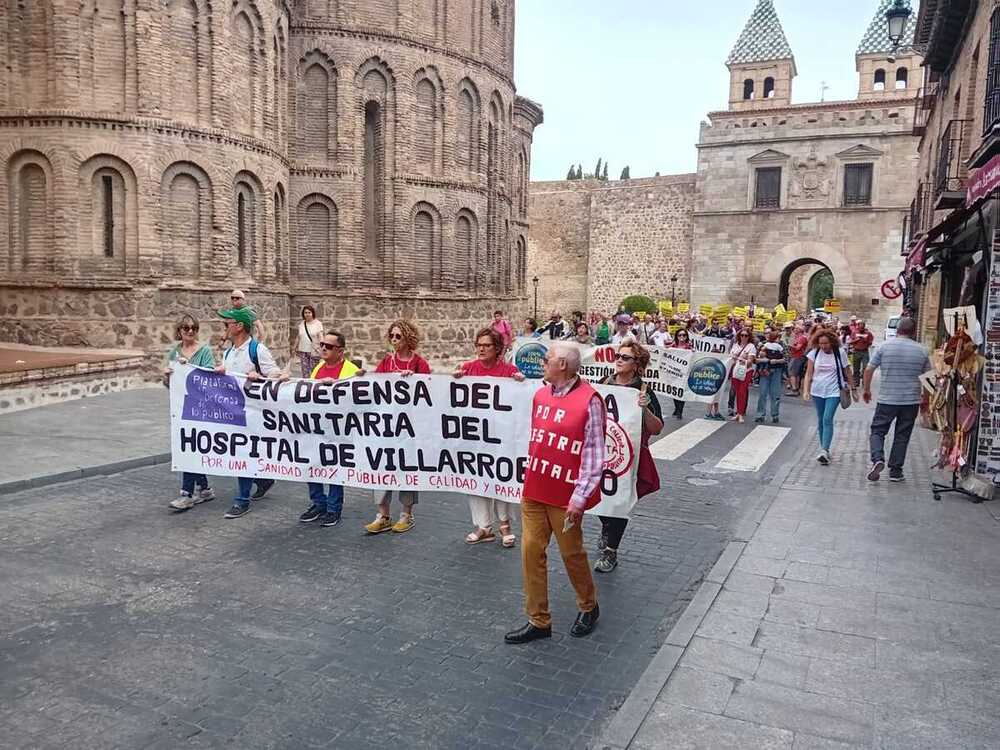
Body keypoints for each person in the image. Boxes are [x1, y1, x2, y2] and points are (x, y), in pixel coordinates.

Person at [505, 343, 604, 644]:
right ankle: (538, 619)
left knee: (571, 554)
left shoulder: (590, 401)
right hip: (535, 488)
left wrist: (579, 498)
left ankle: (588, 605)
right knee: (531, 552)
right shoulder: (540, 395)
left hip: (566, 494)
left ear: (562, 365)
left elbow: (594, 453)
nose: (542, 363)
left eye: (547, 360)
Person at [595, 341, 663, 573]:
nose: (619, 360)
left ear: (637, 365)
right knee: (601, 497)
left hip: (629, 457)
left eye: (625, 357)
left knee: (621, 502)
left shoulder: (644, 390)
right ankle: (606, 527)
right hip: (602, 453)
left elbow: (657, 428)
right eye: (618, 356)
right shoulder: (604, 383)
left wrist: (645, 409)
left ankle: (611, 551)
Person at [454, 328, 526, 547]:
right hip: (476, 437)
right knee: (476, 480)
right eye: (478, 345)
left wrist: (521, 383)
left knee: (502, 477)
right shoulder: (468, 369)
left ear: (497, 349)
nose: (481, 349)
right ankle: (483, 526)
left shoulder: (509, 371)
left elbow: (521, 401)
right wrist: (455, 380)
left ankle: (504, 525)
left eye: (486, 345)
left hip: (501, 438)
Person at [216, 306, 285, 518]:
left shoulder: (257, 349)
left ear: (239, 326)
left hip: (253, 414)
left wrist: (260, 376)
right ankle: (264, 480)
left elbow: (275, 373)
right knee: (235, 453)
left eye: (228, 323)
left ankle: (242, 500)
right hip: (232, 412)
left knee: (242, 454)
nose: (225, 327)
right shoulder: (228, 352)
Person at [363, 320, 431, 534]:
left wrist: (416, 380)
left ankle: (406, 514)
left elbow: (429, 389)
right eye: (391, 336)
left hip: (409, 427)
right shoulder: (386, 362)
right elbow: (374, 386)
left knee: (407, 468)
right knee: (382, 465)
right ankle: (382, 514)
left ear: (408, 338)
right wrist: (362, 378)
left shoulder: (419, 363)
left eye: (398, 336)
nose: (393, 340)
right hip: (387, 425)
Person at [298, 331, 359, 527]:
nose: (323, 348)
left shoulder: (350, 371)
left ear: (340, 351)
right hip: (316, 427)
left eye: (329, 346)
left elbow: (354, 401)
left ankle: (334, 508)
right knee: (312, 465)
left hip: (339, 430)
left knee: (334, 468)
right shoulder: (318, 369)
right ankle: (318, 503)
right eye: (322, 344)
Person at [863, 317, 931, 482]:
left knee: (878, 431)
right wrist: (926, 400)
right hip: (911, 400)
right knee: (902, 434)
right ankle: (895, 471)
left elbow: (869, 369)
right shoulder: (922, 350)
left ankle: (878, 458)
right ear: (914, 332)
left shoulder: (884, 346)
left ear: (897, 330)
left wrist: (866, 389)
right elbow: (928, 377)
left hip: (887, 398)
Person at [164, 314, 217, 511]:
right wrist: (167, 375)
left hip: (199, 408)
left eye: (193, 328)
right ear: (179, 331)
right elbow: (169, 385)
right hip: (180, 408)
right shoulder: (175, 352)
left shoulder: (204, 352)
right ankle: (204, 488)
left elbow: (209, 379)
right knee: (189, 448)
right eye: (186, 328)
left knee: (190, 448)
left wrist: (191, 370)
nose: (190, 331)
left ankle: (186, 494)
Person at [803, 329, 853, 465]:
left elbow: (847, 370)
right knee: (820, 419)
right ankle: (823, 449)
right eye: (821, 344)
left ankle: (824, 450)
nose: (823, 346)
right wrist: (806, 390)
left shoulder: (840, 353)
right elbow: (808, 373)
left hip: (834, 390)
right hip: (817, 390)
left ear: (832, 342)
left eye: (826, 343)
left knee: (827, 418)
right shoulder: (814, 353)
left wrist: (853, 388)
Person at [755, 328, 787, 424]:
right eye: (766, 333)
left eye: (770, 333)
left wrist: (777, 361)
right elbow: (757, 357)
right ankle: (760, 414)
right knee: (762, 393)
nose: (768, 335)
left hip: (777, 370)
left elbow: (786, 358)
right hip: (765, 370)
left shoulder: (782, 345)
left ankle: (775, 414)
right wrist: (762, 357)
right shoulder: (763, 344)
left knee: (775, 393)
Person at [729, 329, 757, 423]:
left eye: (746, 335)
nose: (744, 337)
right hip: (735, 370)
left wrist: (740, 359)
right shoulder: (735, 345)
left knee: (742, 391)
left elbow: (750, 362)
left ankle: (741, 413)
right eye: (742, 335)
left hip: (746, 371)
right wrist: (742, 357)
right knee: (737, 391)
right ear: (739, 336)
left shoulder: (751, 346)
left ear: (749, 337)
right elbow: (730, 358)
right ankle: (738, 413)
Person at [296, 305, 324, 378]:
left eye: (309, 312)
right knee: (304, 371)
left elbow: (320, 336)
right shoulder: (302, 324)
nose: (307, 314)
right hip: (303, 351)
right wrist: (294, 348)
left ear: (312, 313)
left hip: (314, 351)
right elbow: (299, 336)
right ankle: (306, 385)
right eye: (305, 312)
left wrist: (322, 347)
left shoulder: (318, 324)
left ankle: (314, 386)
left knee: (314, 370)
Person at [671, 328, 693, 419]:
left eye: (684, 335)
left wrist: (693, 352)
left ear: (686, 337)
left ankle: (680, 411)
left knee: (681, 392)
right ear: (677, 336)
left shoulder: (689, 347)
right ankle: (676, 408)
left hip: (684, 373)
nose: (682, 337)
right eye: (680, 335)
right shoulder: (673, 346)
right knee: (674, 391)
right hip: (674, 372)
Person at [849, 321, 874, 397]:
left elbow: (870, 342)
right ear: (858, 326)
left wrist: (865, 340)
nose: (861, 327)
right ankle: (856, 382)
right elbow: (850, 342)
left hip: (864, 352)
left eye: (863, 326)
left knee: (865, 367)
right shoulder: (854, 332)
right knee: (856, 368)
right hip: (856, 351)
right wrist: (856, 340)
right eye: (860, 326)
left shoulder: (868, 333)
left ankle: (864, 381)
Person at [787, 323, 809, 396]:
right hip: (795, 356)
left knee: (792, 373)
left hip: (797, 357)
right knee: (795, 373)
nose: (794, 330)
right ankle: (796, 388)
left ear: (800, 330)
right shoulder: (797, 337)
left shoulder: (802, 338)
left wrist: (790, 346)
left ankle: (794, 390)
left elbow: (798, 348)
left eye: (796, 328)